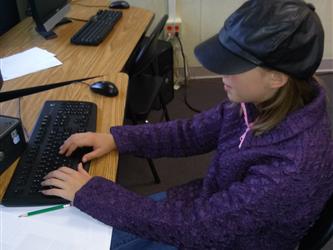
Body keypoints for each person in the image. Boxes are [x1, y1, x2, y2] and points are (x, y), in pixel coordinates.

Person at [41, 0, 333, 249]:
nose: (220, 73)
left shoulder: (290, 169)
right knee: (81, 227)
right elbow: (190, 133)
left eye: (234, 66)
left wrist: (91, 193)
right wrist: (118, 139)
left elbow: (198, 228)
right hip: (208, 208)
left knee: (79, 237)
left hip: (223, 237)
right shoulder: (262, 100)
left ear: (277, 77)